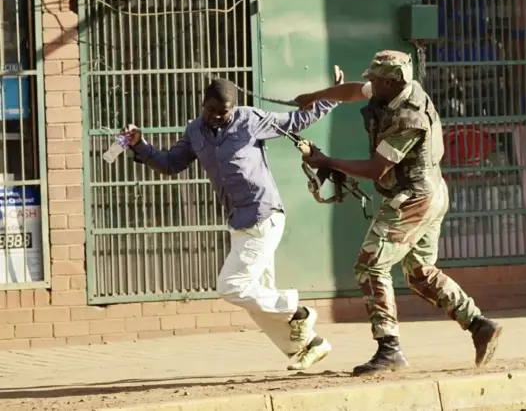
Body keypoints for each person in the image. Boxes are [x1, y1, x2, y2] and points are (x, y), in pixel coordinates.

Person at [294, 50, 503, 376]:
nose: (369, 83)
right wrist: (314, 97)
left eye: (375, 79)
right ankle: (479, 325)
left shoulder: (409, 118)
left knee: (370, 266)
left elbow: (378, 169)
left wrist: (326, 161)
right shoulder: (394, 89)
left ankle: (389, 349)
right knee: (419, 272)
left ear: (392, 82)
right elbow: (352, 91)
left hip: (414, 199)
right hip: (429, 193)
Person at [122, 71, 344, 371]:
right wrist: (139, 145)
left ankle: (299, 312)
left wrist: (334, 96)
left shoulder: (250, 119)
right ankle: (308, 345)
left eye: (223, 112)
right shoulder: (195, 131)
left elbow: (296, 122)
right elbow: (171, 164)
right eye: (210, 110)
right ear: (203, 105)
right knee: (255, 297)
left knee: (231, 286)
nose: (215, 116)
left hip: (263, 215)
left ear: (234, 108)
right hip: (238, 221)